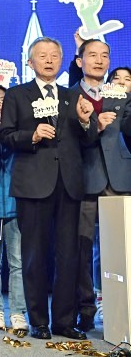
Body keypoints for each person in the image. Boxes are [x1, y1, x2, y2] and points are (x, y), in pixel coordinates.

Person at [0, 37, 96, 341]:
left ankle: (64, 322)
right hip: (33, 184)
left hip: (68, 184)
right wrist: (32, 134)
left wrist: (85, 122)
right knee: (34, 256)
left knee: (68, 256)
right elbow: (5, 135)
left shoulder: (72, 95)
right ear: (30, 62)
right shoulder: (17, 95)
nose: (49, 60)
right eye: (42, 56)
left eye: (54, 55)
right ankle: (39, 320)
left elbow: (89, 138)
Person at [72, 40, 131, 332]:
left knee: (123, 248)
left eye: (104, 55)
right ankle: (86, 308)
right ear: (79, 61)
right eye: (92, 55)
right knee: (81, 248)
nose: (99, 60)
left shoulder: (120, 94)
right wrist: (92, 125)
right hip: (84, 179)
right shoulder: (69, 95)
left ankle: (123, 308)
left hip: (120, 177)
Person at [0, 84, 27, 331]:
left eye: (2, 99)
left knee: (17, 262)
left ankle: (18, 312)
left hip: (15, 206)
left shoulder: (17, 133)